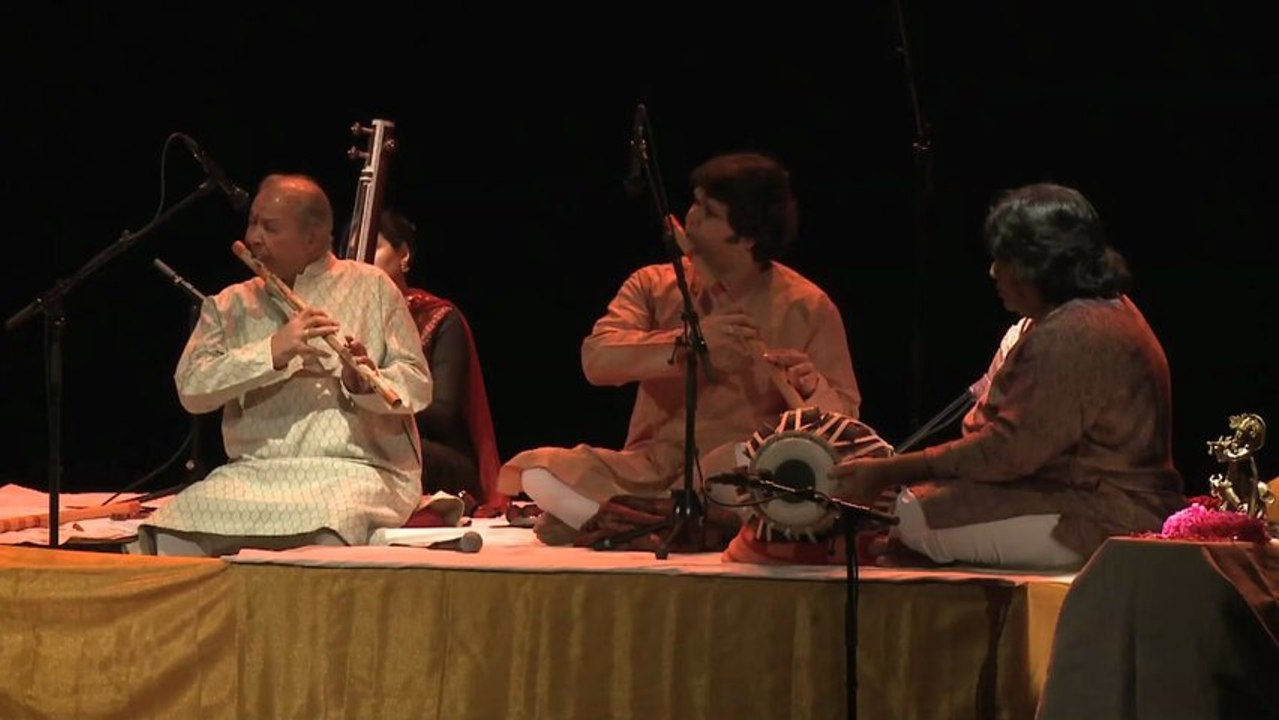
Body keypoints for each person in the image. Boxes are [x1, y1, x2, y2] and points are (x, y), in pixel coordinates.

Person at [498, 152, 863, 544]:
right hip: (649, 469)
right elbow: (597, 359)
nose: (689, 217)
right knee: (540, 473)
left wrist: (810, 389)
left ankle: (621, 528)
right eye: (694, 202)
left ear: (746, 236)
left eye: (707, 212)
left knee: (744, 469)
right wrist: (688, 344)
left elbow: (845, 425)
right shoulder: (654, 285)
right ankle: (657, 528)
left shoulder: (807, 306)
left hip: (735, 474)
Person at [830, 182, 1185, 568]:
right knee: (915, 508)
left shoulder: (1076, 332)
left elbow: (1007, 453)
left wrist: (890, 471)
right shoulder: (1095, 312)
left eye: (1005, 259)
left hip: (1106, 514)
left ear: (1040, 263)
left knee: (912, 517)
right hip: (1075, 493)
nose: (993, 271)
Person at [140, 174, 433, 556]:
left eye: (270, 227)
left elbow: (418, 385)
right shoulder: (230, 304)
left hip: (354, 470)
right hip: (254, 474)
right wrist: (271, 353)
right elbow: (191, 389)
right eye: (253, 222)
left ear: (312, 238)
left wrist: (362, 382)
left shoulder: (371, 287)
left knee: (330, 522)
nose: (254, 237)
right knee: (172, 530)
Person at [370, 208, 503, 511]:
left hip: (438, 456)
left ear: (403, 255)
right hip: (374, 443)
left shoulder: (440, 317)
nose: (360, 259)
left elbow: (442, 416)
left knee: (384, 448)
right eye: (350, 250)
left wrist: (372, 408)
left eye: (373, 248)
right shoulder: (342, 318)